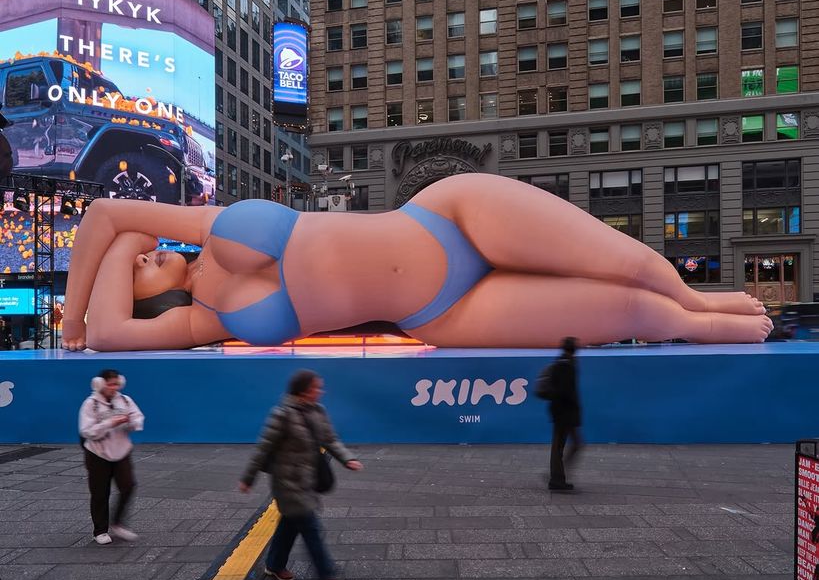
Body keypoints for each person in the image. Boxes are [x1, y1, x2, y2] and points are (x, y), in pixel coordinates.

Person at [61, 174, 773, 352]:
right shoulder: (203, 323)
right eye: (142, 268)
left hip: (449, 216)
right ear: (148, 299)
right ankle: (710, 322)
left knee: (629, 261)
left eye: (144, 250)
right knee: (627, 311)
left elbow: (106, 217)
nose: (149, 251)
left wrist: (122, 249)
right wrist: (95, 300)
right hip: (441, 314)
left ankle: (708, 300)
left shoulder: (212, 231)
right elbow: (105, 336)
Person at [239, 370, 362, 580]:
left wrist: (347, 459)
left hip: (308, 480)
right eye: (316, 387)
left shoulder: (318, 411)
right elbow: (263, 450)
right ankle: (326, 573)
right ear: (303, 391)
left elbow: (330, 440)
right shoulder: (281, 415)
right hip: (287, 482)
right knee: (310, 527)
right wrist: (247, 479)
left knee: (289, 524)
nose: (320, 391)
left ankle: (274, 565)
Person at [78, 368, 145, 545]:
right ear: (100, 383)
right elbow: (86, 430)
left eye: (116, 383)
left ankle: (117, 523)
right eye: (110, 384)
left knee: (128, 486)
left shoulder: (124, 400)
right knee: (100, 492)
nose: (114, 387)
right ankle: (100, 530)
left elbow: (138, 419)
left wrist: (130, 421)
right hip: (97, 453)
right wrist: (109, 423)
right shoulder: (90, 404)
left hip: (121, 450)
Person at [546, 337, 583, 492]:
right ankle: (557, 478)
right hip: (565, 413)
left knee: (564, 446)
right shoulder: (567, 366)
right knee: (563, 446)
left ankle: (558, 475)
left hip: (561, 412)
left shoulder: (561, 363)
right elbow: (567, 392)